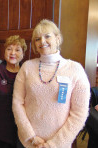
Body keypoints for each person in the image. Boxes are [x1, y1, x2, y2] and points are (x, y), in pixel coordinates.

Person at [12, 19, 90, 148]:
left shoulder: (75, 69)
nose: (42, 41)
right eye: (37, 39)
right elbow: (17, 103)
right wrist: (31, 136)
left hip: (59, 144)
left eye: (47, 36)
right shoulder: (27, 67)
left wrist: (53, 145)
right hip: (27, 141)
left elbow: (79, 113)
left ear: (57, 39)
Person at [0, 35, 27, 148]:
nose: (12, 53)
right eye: (9, 49)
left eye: (17, 50)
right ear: (4, 51)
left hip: (23, 133)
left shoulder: (28, 73)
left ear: (23, 53)